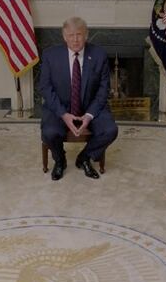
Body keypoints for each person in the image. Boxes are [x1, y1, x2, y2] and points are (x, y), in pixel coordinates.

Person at [39, 17, 118, 181]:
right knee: (49, 132)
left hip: (91, 106)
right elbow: (45, 88)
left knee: (110, 130)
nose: (75, 39)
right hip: (60, 107)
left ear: (86, 35)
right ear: (64, 36)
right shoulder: (50, 55)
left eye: (79, 35)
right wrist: (63, 114)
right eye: (71, 35)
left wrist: (89, 115)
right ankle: (60, 160)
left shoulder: (99, 55)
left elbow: (103, 90)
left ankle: (85, 157)